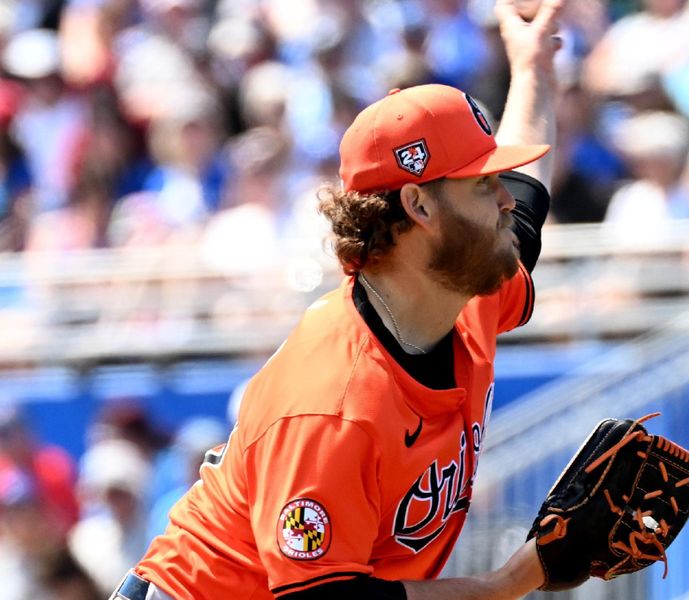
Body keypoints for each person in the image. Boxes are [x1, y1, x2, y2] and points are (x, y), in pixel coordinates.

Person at [111, 0, 563, 598]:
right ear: (419, 207)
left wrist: (533, 74)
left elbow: (526, 204)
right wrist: (511, 581)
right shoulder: (333, 400)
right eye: (483, 185)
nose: (503, 199)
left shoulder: (461, 286)